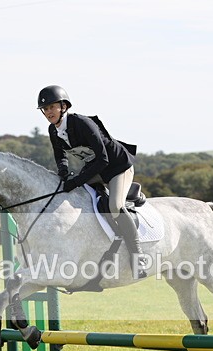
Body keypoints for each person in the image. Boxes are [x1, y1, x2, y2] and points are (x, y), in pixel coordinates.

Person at [37, 85, 147, 278]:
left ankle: (138, 257)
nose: (48, 112)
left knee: (115, 206)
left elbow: (103, 159)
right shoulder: (53, 130)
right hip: (96, 169)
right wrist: (64, 172)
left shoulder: (82, 123)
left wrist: (77, 181)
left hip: (117, 167)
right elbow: (60, 155)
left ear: (63, 106)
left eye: (52, 107)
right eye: (45, 109)